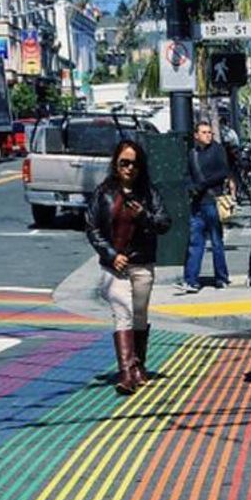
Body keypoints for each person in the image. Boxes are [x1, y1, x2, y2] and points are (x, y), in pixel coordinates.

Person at [84, 140, 171, 394]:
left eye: (134, 163)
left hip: (142, 262)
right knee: (123, 312)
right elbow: (92, 228)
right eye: (124, 163)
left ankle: (138, 365)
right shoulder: (103, 192)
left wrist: (144, 215)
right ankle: (126, 373)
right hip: (115, 267)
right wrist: (111, 255)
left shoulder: (149, 193)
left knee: (139, 315)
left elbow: (164, 223)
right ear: (116, 164)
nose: (129, 168)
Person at [181, 121, 234, 293]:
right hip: (197, 203)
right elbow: (187, 174)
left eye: (209, 132)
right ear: (196, 135)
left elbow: (223, 172)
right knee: (195, 242)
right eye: (204, 132)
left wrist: (203, 185)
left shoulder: (217, 150)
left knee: (216, 241)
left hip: (212, 200)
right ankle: (191, 280)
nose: (208, 135)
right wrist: (190, 187)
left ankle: (221, 277)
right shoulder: (192, 154)